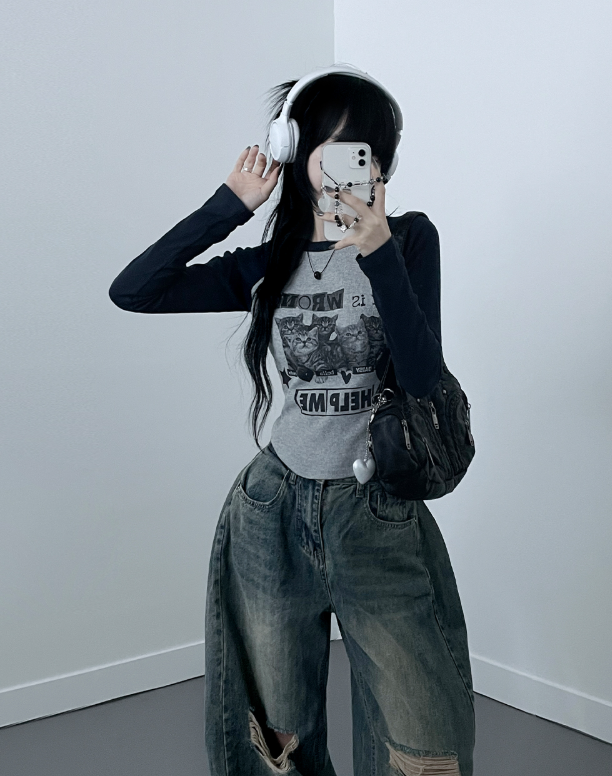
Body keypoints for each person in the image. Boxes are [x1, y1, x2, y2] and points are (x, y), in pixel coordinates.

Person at [109, 65, 476, 776]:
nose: (351, 162)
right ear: (294, 147)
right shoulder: (267, 265)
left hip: (376, 514)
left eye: (366, 149)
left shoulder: (407, 242)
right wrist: (229, 205)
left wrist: (377, 255)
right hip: (273, 510)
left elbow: (424, 381)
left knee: (419, 735)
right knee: (280, 732)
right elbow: (135, 290)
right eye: (334, 145)